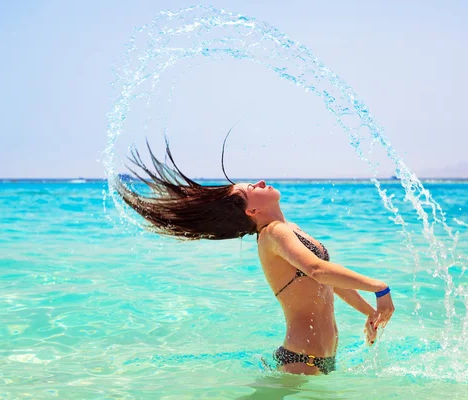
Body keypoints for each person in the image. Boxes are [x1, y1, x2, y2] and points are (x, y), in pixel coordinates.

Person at [115, 141, 395, 375]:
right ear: (251, 212)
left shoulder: (291, 229)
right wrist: (379, 287)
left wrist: (370, 313)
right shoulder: (274, 233)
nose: (260, 182)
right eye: (252, 189)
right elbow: (318, 270)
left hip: (320, 361)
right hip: (301, 361)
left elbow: (328, 280)